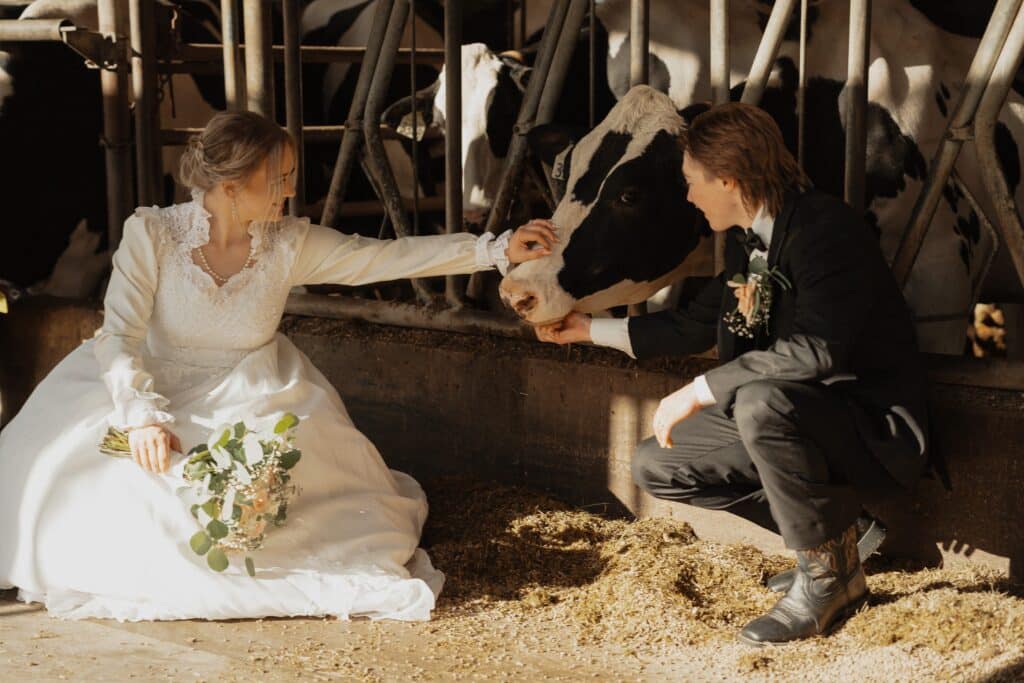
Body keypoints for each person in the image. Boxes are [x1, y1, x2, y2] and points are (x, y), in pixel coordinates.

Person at [0, 110, 556, 622]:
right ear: (231, 187)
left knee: (278, 495)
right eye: (280, 178)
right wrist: (140, 414)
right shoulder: (151, 235)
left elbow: (383, 257)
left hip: (254, 392)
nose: (291, 190)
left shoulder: (288, 243)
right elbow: (117, 335)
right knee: (105, 484)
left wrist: (495, 249)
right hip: (146, 385)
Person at [535, 102, 928, 645]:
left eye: (693, 181)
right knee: (657, 464)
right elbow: (696, 324)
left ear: (729, 178)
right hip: (794, 413)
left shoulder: (825, 229)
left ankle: (826, 583)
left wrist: (700, 389)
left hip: (868, 423)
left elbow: (815, 352)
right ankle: (840, 540)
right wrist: (586, 330)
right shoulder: (750, 239)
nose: (688, 195)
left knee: (758, 402)